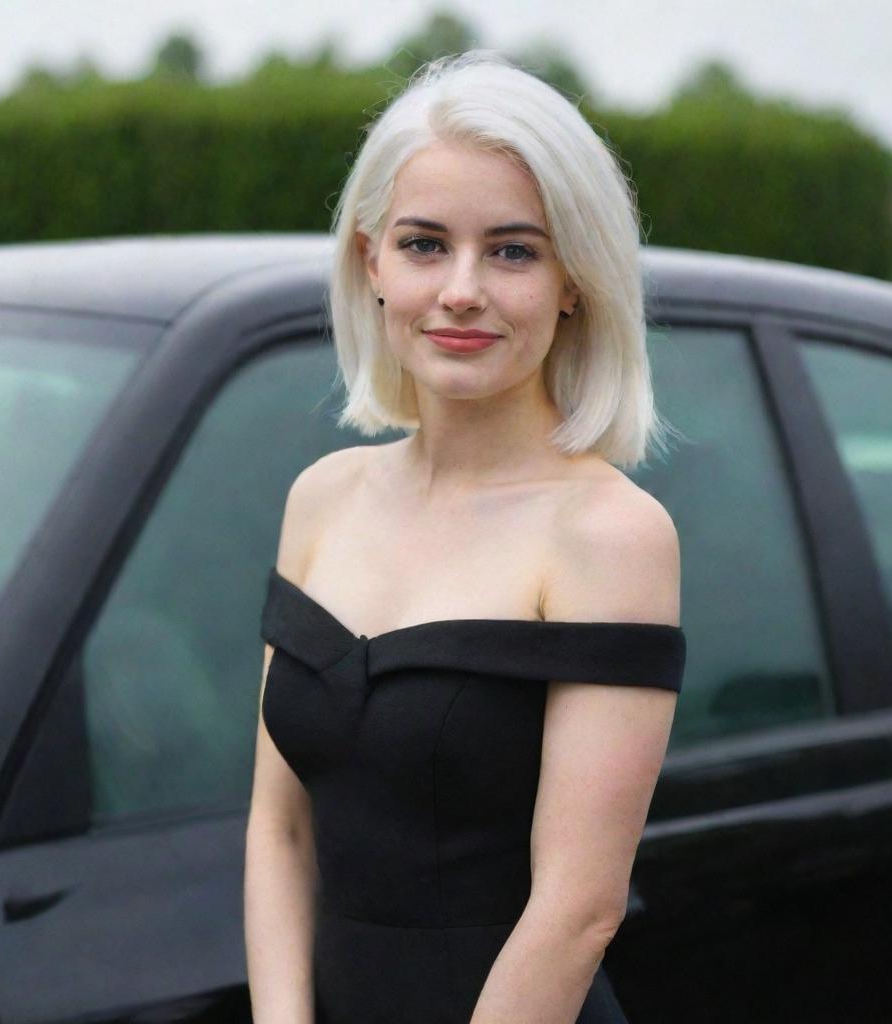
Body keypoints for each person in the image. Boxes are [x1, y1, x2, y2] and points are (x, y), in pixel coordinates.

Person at [244, 49, 687, 1024]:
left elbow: (578, 909)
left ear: (575, 280)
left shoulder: (608, 535)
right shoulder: (319, 498)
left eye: (513, 251)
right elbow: (280, 830)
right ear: (370, 261)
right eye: (423, 244)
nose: (460, 289)